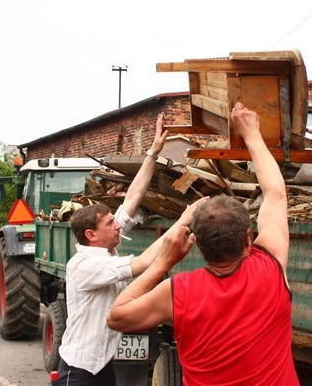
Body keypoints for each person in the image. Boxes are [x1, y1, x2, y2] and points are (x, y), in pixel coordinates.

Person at [107, 103, 300, 385]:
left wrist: (164, 261)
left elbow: (117, 317)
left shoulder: (178, 291)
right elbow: (275, 194)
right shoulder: (269, 269)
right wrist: (251, 133)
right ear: (248, 240)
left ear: (195, 245)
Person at [54, 112, 207, 385]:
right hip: (80, 371)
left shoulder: (105, 246)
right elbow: (149, 259)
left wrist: (153, 152)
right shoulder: (86, 264)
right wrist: (185, 219)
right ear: (91, 234)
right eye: (110, 222)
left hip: (102, 366)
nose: (118, 225)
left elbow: (133, 197)